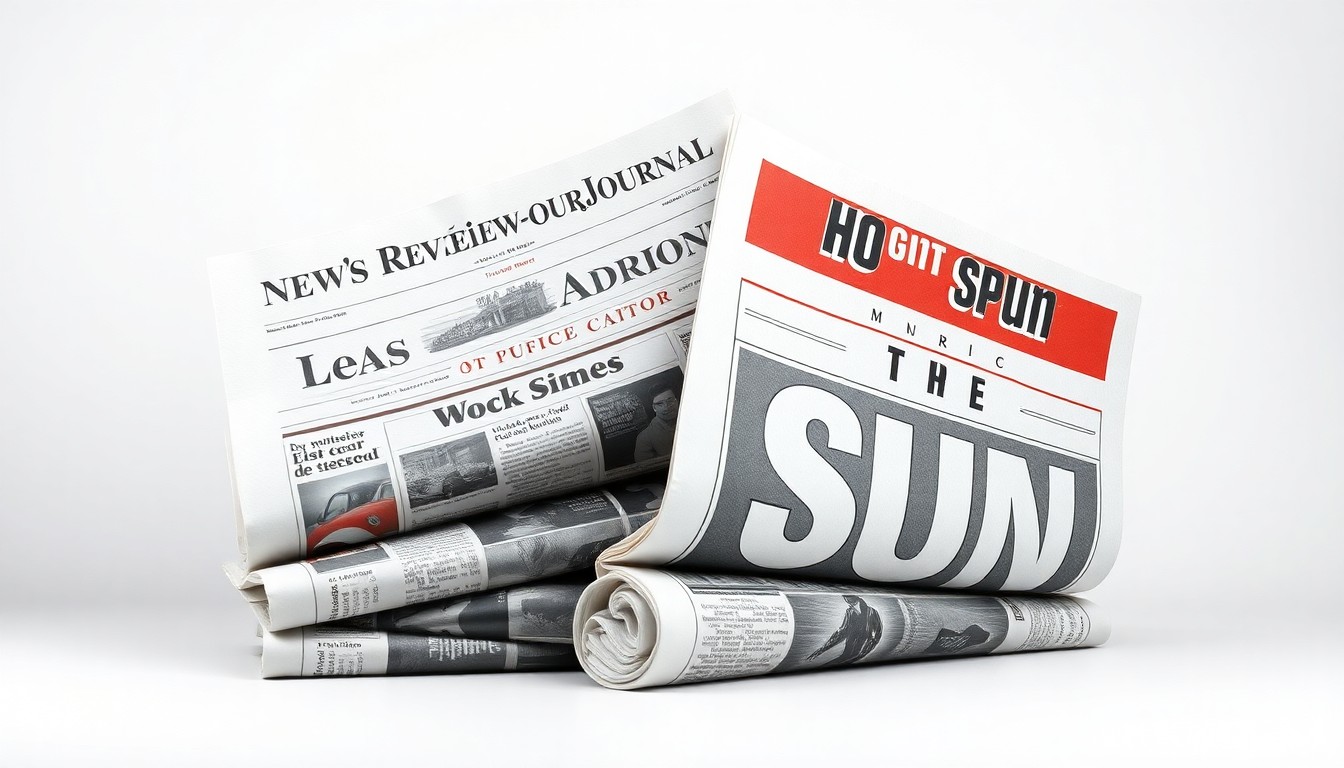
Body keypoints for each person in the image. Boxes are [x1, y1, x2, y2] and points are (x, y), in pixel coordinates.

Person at [632, 383, 679, 462]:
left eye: (670, 401)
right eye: (660, 404)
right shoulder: (645, 438)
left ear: (676, 401)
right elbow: (646, 470)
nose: (667, 407)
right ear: (654, 408)